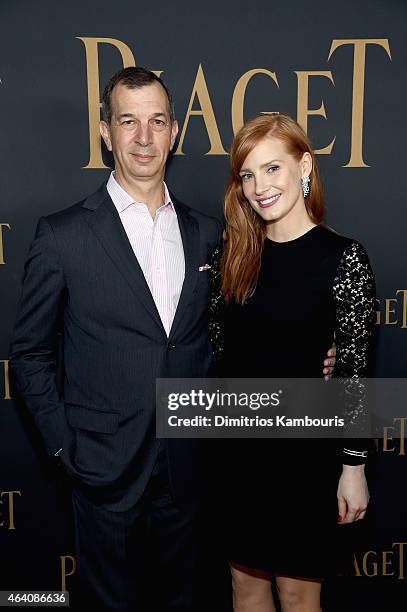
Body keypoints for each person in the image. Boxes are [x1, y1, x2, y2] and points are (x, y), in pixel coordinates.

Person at [9, 69, 335, 611]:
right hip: (103, 468)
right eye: (128, 121)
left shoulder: (212, 233)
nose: (144, 137)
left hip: (194, 469)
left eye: (157, 121)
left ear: (175, 131)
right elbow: (31, 354)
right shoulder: (63, 234)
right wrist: (66, 447)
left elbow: (250, 330)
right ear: (106, 132)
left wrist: (318, 358)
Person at [211, 114, 376, 612]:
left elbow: (353, 372)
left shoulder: (344, 258)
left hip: (306, 456)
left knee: (300, 593)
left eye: (272, 169)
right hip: (240, 452)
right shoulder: (234, 252)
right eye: (247, 175)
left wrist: (353, 467)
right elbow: (221, 353)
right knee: (246, 588)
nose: (260, 187)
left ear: (304, 166)